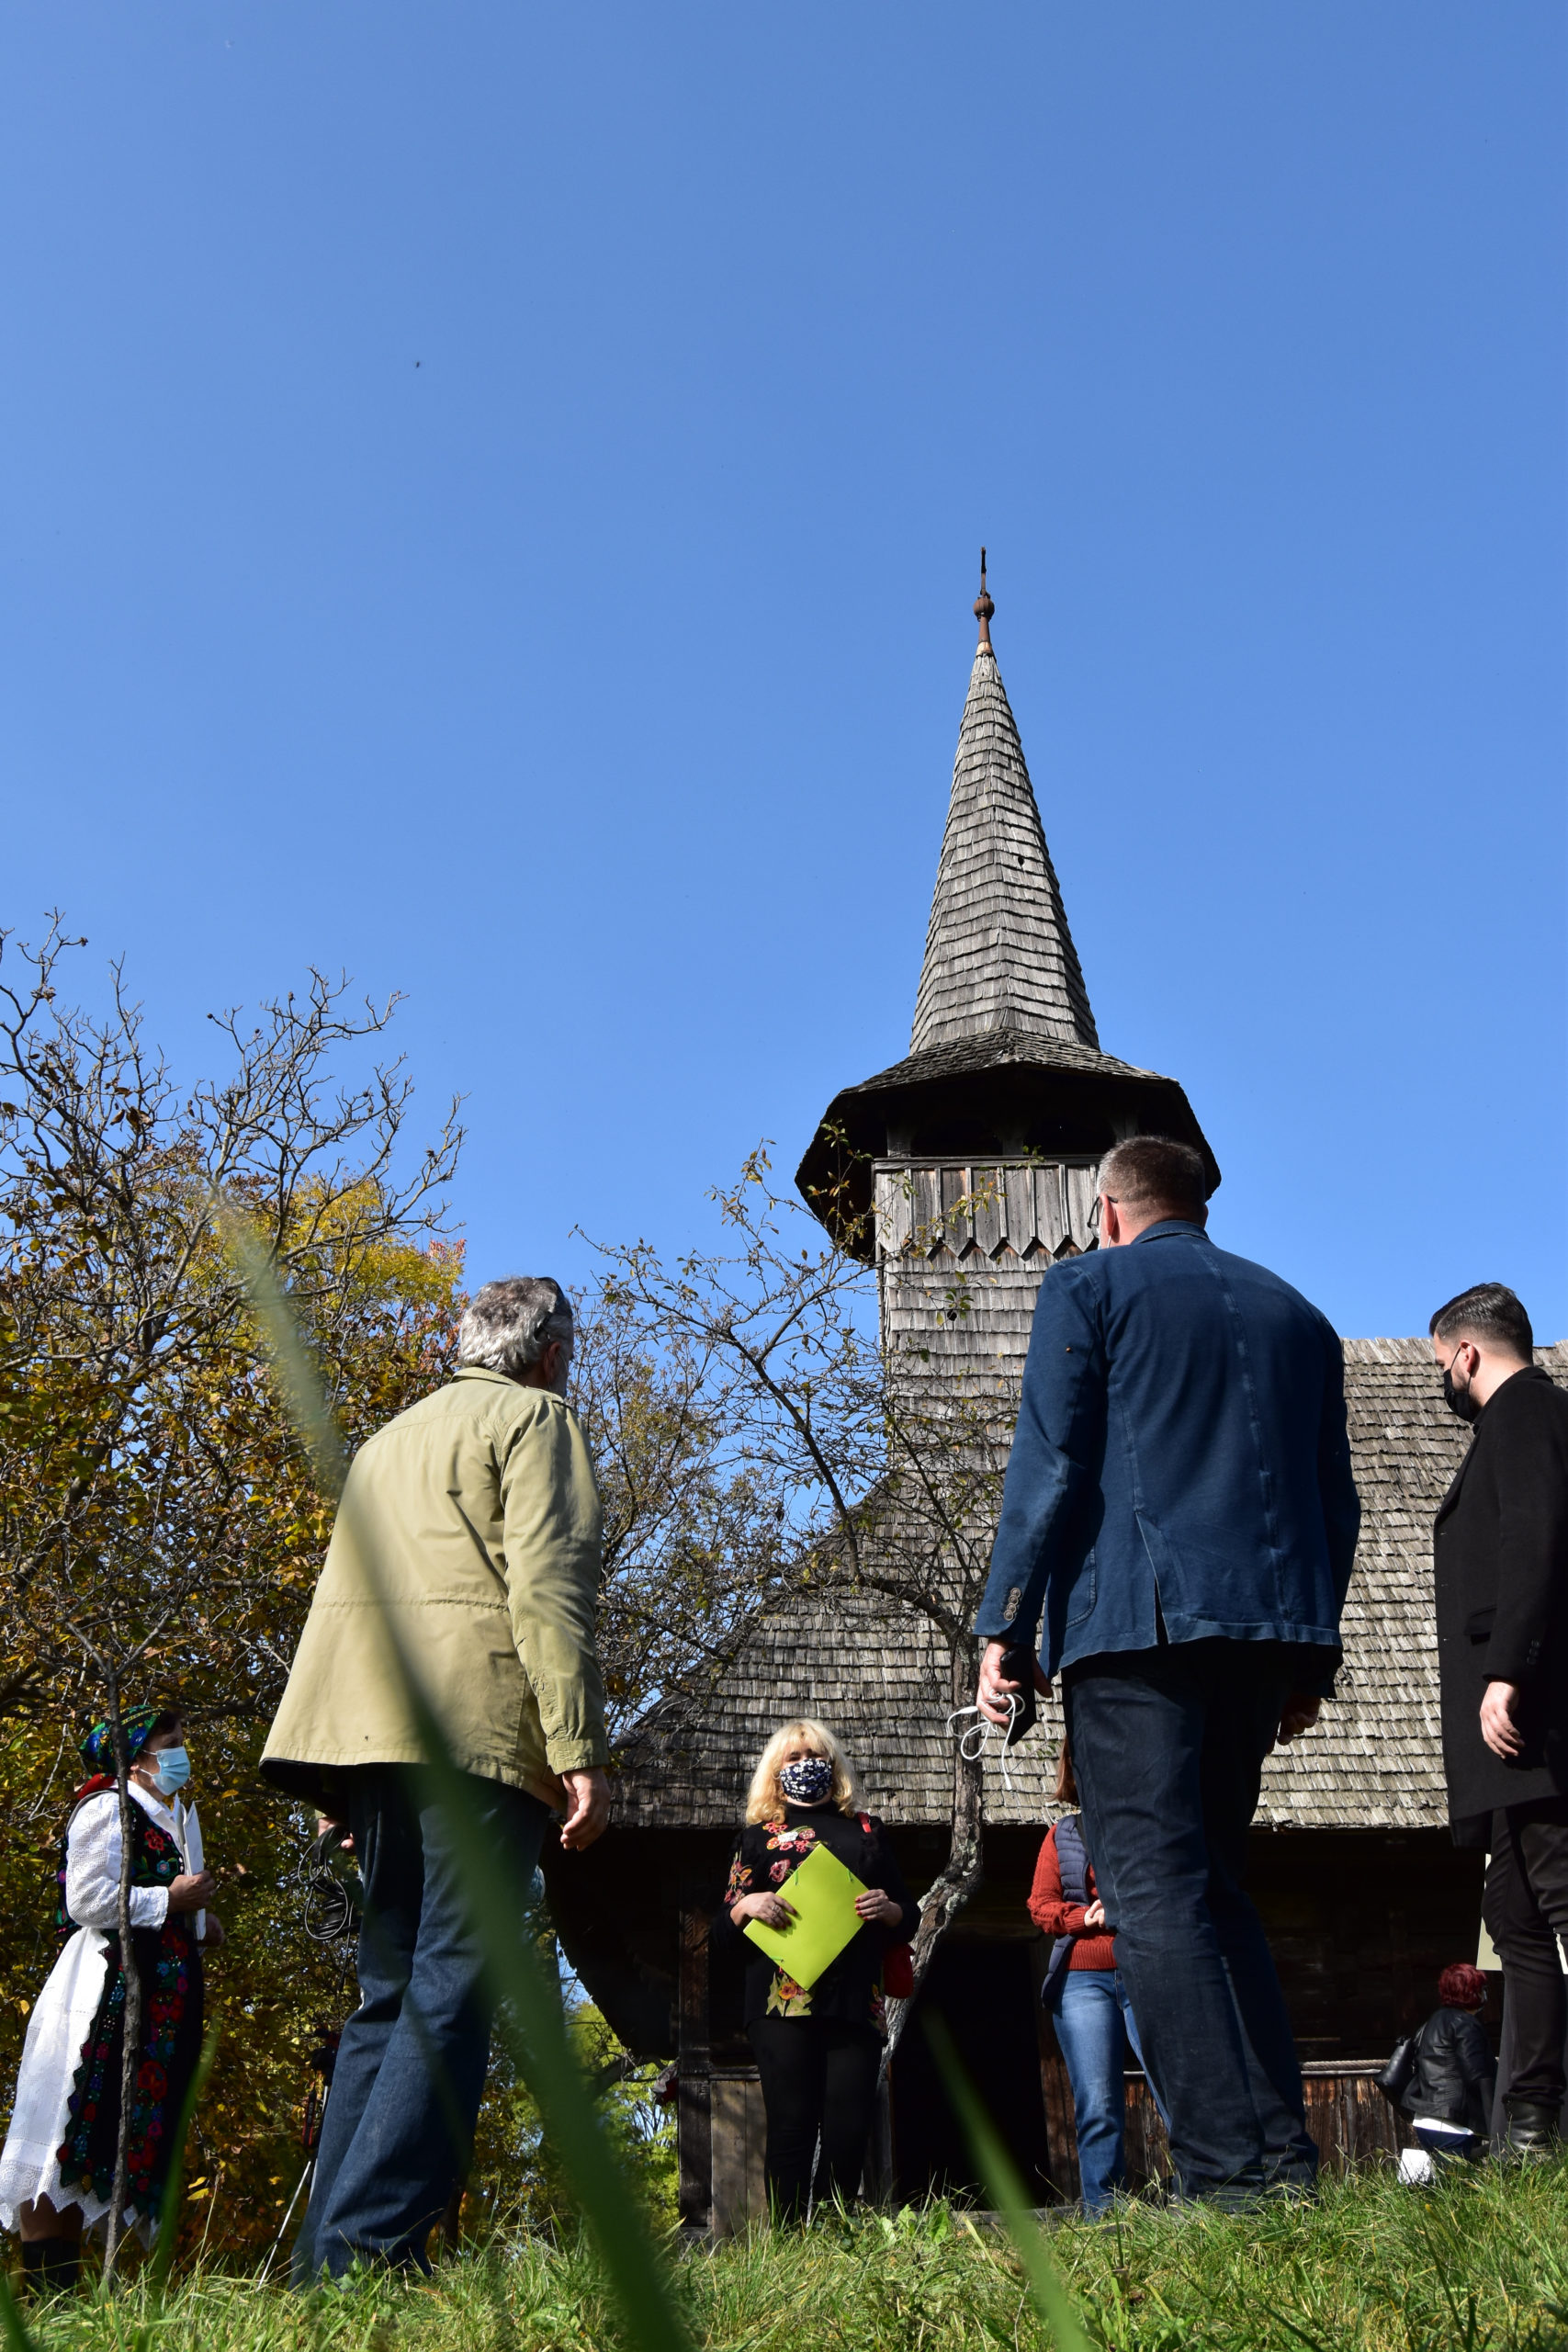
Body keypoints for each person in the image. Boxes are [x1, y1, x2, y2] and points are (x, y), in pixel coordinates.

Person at [973, 1136, 1360, 2207]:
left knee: (1150, 1898)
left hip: (1135, 1625)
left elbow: (1049, 1465)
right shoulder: (1300, 1316)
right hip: (1261, 1638)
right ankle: (1284, 2165)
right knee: (1215, 1890)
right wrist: (1307, 1659)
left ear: (1106, 1210)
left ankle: (1230, 2179)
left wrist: (1003, 1624)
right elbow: (1337, 1504)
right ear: (1200, 1204)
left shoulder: (1086, 1286)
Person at [261, 1276, 613, 2277]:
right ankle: (369, 2250)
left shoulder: (388, 1440)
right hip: (476, 1733)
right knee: (455, 1979)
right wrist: (577, 1745)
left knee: (386, 1989)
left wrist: (344, 1778)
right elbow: (550, 1589)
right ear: (551, 1354)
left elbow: (351, 1600)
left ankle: (326, 2261)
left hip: (366, 1732)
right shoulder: (538, 1419)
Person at [0, 1709, 222, 2291]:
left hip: (151, 2005)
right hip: (101, 1990)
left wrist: (199, 1921)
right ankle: (48, 2292)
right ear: (138, 1759)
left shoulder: (166, 1817)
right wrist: (170, 1898)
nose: (180, 1755)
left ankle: (66, 2301)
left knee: (102, 2143)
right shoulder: (107, 1806)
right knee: (68, 2130)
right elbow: (88, 1900)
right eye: (170, 1744)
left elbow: (160, 1900)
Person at [1429, 1281, 1568, 2158]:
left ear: (1467, 1355)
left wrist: (1503, 1670)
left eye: (1439, 1363)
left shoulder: (1523, 1414)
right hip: (1511, 1736)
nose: (1440, 1380)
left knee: (1560, 1898)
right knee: (1515, 1919)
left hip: (1533, 1717)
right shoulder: (1519, 1421)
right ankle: (1530, 2125)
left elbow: (1538, 1535)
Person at [715, 1720, 917, 2222]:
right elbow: (721, 1932)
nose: (807, 1764)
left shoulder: (868, 1830)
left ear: (834, 1763)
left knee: (849, 2126)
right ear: (776, 1771)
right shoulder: (757, 1838)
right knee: (791, 2125)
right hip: (780, 2000)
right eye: (794, 1757)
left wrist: (888, 1910)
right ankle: (788, 2247)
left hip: (856, 1998)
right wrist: (748, 1905)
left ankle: (834, 2242)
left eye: (816, 1754)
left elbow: (907, 1916)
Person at [1029, 1742, 1155, 2212]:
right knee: (1099, 2103)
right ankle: (1105, 2217)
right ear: (1073, 1773)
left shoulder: (1145, 1828)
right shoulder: (1060, 1835)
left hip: (1146, 1969)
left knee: (1173, 2088)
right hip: (1083, 1979)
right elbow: (1040, 1906)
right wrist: (1085, 1919)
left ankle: (1201, 2200)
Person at [1400, 1962, 1497, 2171]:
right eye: (1481, 1989)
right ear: (1470, 1991)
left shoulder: (1433, 2021)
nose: (1484, 1994)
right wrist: (1496, 2126)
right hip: (1453, 2123)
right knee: (1461, 2192)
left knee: (1446, 2188)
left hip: (1426, 2120)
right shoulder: (1465, 2023)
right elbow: (1477, 2075)